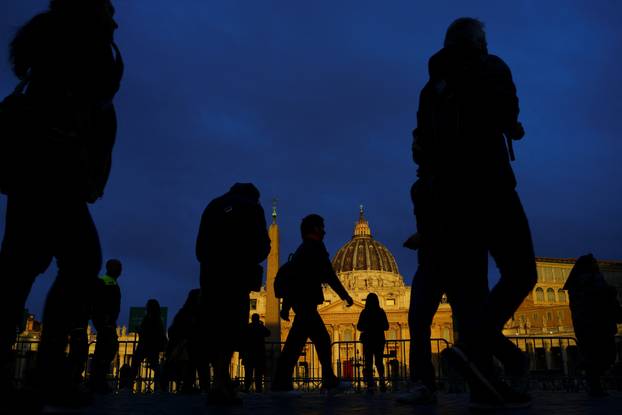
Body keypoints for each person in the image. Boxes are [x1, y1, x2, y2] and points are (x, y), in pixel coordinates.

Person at [403, 17, 537, 409]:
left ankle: (483, 385)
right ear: (479, 42)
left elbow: (420, 146)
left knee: (472, 293)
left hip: (449, 198)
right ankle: (474, 349)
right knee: (521, 272)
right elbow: (506, 112)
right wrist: (512, 127)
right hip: (489, 184)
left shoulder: (431, 87)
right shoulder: (491, 65)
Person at [0, 0, 122, 408]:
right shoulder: (80, 44)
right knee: (79, 260)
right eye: (108, 8)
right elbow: (91, 101)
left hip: (41, 167)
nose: (114, 16)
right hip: (51, 164)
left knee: (21, 265)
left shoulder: (58, 39)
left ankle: (44, 372)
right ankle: (48, 372)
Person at [196, 183, 271, 404]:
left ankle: (220, 380)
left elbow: (199, 246)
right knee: (230, 327)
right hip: (237, 276)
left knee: (215, 327)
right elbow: (263, 245)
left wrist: (210, 262)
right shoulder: (252, 208)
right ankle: (222, 383)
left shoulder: (213, 205)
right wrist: (248, 260)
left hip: (211, 275)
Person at [272, 214, 354, 393]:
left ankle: (283, 381)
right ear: (315, 229)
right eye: (322, 227)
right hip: (306, 302)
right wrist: (345, 296)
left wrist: (286, 306)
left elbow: (293, 279)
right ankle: (325, 379)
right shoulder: (315, 247)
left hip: (301, 303)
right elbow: (329, 274)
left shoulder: (302, 250)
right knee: (317, 340)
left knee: (301, 342)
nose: (324, 231)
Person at [564, 254, 622, 397]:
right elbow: (597, 299)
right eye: (593, 263)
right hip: (593, 325)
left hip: (592, 325)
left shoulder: (585, 281)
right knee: (601, 355)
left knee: (604, 356)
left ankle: (588, 373)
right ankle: (593, 383)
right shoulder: (587, 282)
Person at [88, 258, 123, 393]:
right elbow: (102, 304)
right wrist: (105, 320)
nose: (120, 271)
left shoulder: (109, 281)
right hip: (106, 322)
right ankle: (97, 381)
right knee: (106, 350)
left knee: (104, 350)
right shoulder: (106, 282)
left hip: (107, 321)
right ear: (112, 269)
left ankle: (97, 380)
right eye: (118, 268)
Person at [162, 288, 205, 394]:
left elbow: (172, 329)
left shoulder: (184, 311)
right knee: (194, 366)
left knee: (191, 366)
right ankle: (196, 387)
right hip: (188, 344)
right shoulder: (194, 312)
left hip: (189, 344)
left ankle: (188, 386)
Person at [130, 299, 167, 392]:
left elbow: (148, 332)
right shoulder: (157, 318)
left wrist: (140, 330)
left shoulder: (150, 318)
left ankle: (128, 385)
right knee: (154, 365)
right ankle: (163, 385)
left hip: (146, 346)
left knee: (135, 363)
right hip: (152, 346)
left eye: (147, 306)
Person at [357, 293, 389, 393]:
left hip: (368, 340)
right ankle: (382, 380)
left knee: (368, 362)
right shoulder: (381, 312)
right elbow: (386, 326)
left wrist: (367, 327)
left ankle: (370, 384)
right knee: (379, 361)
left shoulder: (364, 312)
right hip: (379, 339)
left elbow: (359, 327)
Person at [242, 314, 271, 393]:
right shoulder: (260, 327)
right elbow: (268, 333)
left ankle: (247, 388)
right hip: (259, 354)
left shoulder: (248, 327)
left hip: (249, 353)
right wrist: (262, 324)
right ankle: (258, 389)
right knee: (258, 374)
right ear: (258, 319)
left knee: (248, 373)